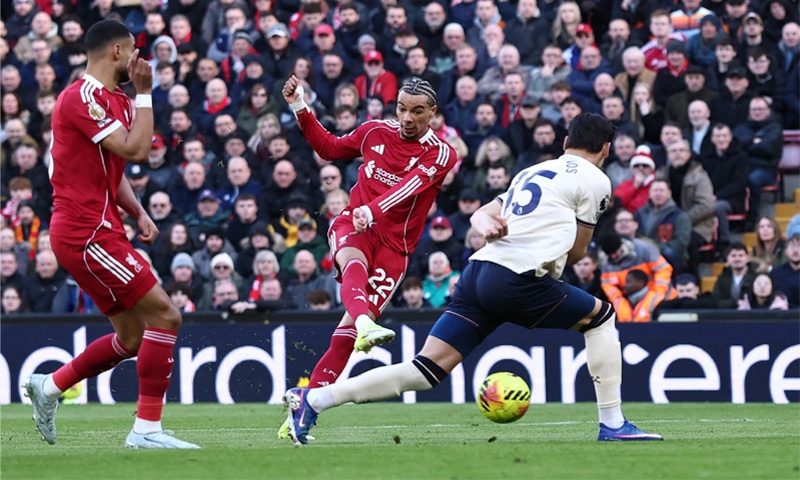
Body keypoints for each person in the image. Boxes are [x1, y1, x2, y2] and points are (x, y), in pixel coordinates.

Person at [280, 113, 662, 445]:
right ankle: (612, 423)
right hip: (518, 278)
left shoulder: (533, 170)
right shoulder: (597, 180)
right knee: (601, 318)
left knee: (424, 369)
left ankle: (313, 400)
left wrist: (486, 226)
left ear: (564, 142)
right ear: (607, 150)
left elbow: (484, 213)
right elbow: (578, 254)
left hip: (478, 272)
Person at [22, 21, 199, 449]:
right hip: (86, 232)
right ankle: (146, 432)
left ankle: (48, 387)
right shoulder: (79, 98)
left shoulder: (115, 101)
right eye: (135, 50)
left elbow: (115, 166)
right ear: (117, 52)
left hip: (100, 227)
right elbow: (138, 150)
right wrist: (146, 92)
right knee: (166, 316)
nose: (140, 60)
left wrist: (136, 210)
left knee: (134, 337)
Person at [278, 75, 457, 399]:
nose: (407, 118)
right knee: (352, 263)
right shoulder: (375, 131)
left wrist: (374, 210)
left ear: (433, 112)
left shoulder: (441, 153)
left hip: (395, 248)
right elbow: (329, 148)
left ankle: (306, 404)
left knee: (344, 337)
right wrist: (300, 106)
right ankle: (365, 323)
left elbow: (411, 186)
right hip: (355, 224)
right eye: (402, 108)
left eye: (417, 111)